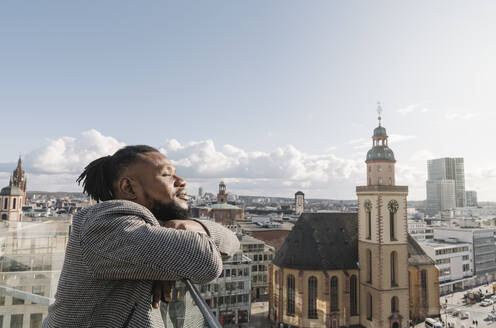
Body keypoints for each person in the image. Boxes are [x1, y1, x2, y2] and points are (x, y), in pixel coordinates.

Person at [43, 145, 240, 327]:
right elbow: (205, 262)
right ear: (128, 188)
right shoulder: (104, 226)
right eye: (166, 175)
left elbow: (232, 241)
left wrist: (189, 226)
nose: (182, 181)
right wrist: (175, 254)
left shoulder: (142, 228)